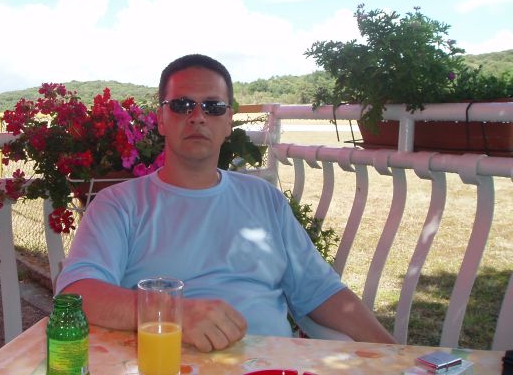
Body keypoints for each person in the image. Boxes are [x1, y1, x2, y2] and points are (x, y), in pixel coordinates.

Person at [56, 54, 395, 352]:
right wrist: (170, 313)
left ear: (229, 122)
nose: (198, 117)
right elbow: (76, 293)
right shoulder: (120, 205)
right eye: (181, 105)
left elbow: (321, 292)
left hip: (270, 366)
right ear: (160, 119)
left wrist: (399, 356)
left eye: (213, 107)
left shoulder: (264, 199)